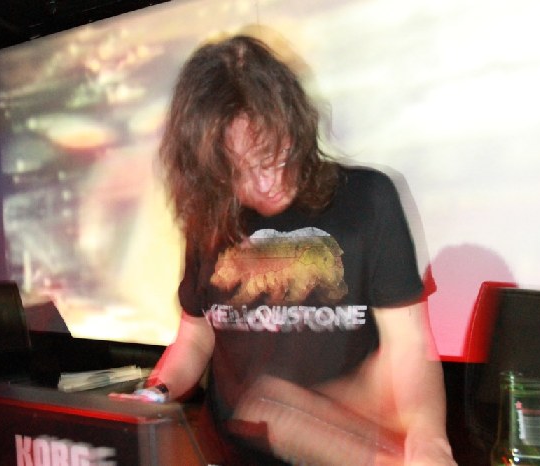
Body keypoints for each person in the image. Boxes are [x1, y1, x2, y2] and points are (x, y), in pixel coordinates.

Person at [134, 34, 456, 465]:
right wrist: (154, 394)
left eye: (272, 157)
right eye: (239, 172)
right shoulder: (210, 220)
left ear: (294, 125)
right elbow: (195, 338)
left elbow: (410, 345)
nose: (265, 184)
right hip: (228, 456)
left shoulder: (368, 200)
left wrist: (429, 438)